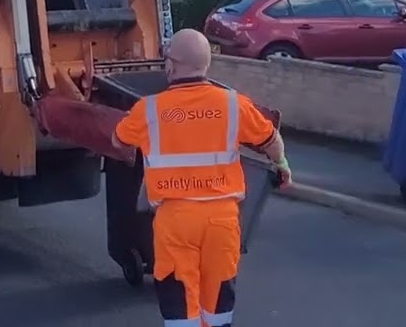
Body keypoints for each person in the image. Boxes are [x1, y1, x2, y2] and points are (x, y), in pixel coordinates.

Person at [112, 29, 291, 327]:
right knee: (218, 302)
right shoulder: (234, 104)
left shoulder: (150, 110)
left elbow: (119, 141)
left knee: (180, 302)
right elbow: (272, 142)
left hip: (176, 220)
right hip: (222, 220)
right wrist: (282, 164)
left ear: (172, 65)